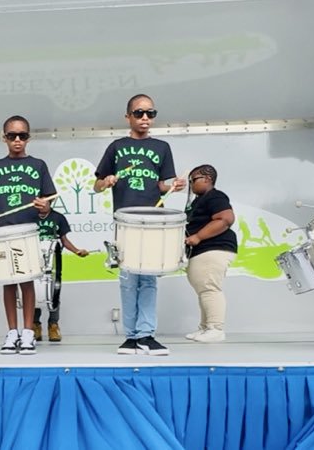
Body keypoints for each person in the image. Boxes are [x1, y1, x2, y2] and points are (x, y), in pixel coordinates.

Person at [93, 94, 183, 356]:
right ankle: (131, 336)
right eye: (139, 113)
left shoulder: (162, 147)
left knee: (149, 279)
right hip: (126, 219)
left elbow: (162, 185)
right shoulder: (116, 146)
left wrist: (174, 186)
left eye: (150, 113)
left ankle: (146, 334)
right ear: (128, 116)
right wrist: (106, 181)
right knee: (129, 278)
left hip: (153, 219)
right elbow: (96, 185)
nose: (145, 118)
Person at [0, 115, 59, 355]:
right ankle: (12, 332)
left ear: (29, 138)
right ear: (4, 138)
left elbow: (49, 199)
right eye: (12, 136)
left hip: (27, 231)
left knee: (26, 280)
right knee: (7, 283)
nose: (17, 140)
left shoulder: (38, 165)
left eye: (22, 135)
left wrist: (45, 206)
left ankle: (28, 332)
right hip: (1, 232)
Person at [182, 164, 236, 343]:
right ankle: (206, 327)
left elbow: (226, 218)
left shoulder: (215, 196)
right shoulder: (199, 200)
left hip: (213, 247)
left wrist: (198, 236)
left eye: (193, 180)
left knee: (209, 288)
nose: (191, 184)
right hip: (204, 250)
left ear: (207, 178)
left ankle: (215, 328)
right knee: (203, 289)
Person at [30, 209, 88, 342]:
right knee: (34, 291)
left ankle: (53, 325)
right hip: (33, 259)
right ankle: (35, 325)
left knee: (54, 292)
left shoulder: (58, 217)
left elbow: (64, 240)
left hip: (54, 261)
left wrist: (77, 251)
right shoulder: (29, 216)